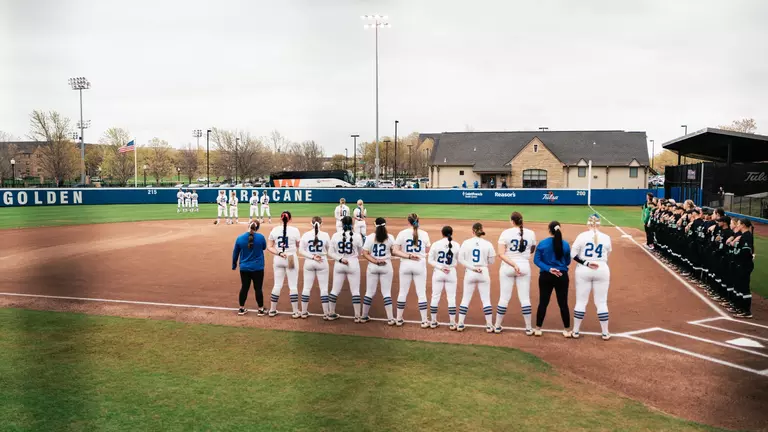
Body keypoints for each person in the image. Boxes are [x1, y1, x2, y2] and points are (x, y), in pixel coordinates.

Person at [570, 214, 613, 340]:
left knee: (581, 301)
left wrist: (586, 263)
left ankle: (575, 331)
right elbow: (608, 254)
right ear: (599, 224)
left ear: (588, 224)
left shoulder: (582, 236)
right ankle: (605, 332)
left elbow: (573, 254)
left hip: (584, 269)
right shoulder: (606, 237)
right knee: (601, 302)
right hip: (602, 269)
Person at [496, 211, 537, 334]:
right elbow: (532, 249)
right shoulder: (531, 233)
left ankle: (497, 326)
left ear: (512, 221)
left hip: (508, 267)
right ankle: (528, 328)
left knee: (504, 298)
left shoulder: (505, 233)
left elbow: (501, 254)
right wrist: (522, 256)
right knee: (525, 299)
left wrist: (513, 264)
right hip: (524, 266)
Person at [533, 221, 572, 337]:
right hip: (562, 275)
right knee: (563, 303)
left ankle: (538, 328)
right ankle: (567, 330)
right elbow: (568, 261)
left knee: (543, 302)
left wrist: (549, 268)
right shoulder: (565, 244)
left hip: (546, 275)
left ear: (549, 230)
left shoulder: (542, 243)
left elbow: (536, 260)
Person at [392, 213, 432, 327]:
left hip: (405, 264)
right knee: (421, 293)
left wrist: (408, 256)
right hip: (419, 265)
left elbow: (395, 251)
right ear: (418, 221)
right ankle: (424, 321)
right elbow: (427, 250)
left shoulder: (402, 233)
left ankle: (398, 319)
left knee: (402, 292)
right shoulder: (424, 233)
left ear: (408, 221)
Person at [457, 223, 496, 332]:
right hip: (483, 271)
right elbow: (492, 261)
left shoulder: (466, 242)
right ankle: (489, 325)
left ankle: (460, 324)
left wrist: (472, 268)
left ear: (473, 231)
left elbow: (460, 259)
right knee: (486, 299)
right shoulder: (488, 243)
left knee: (465, 299)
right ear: (481, 231)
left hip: (470, 271)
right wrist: (482, 263)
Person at [328, 215, 364, 321]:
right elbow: (360, 252)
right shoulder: (357, 236)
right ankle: (357, 316)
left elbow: (330, 252)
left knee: (335, 290)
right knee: (355, 291)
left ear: (342, 224)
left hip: (339, 264)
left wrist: (340, 259)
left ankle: (331, 313)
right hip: (353, 264)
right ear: (352, 224)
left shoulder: (335, 235)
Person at [267, 211, 302, 317]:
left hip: (278, 258)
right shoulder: (295, 230)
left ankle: (272, 310)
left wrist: (279, 253)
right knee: (293, 285)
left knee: (277, 284)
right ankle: (295, 311)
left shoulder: (274, 230)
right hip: (290, 258)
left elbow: (269, 247)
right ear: (290, 219)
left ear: (280, 218)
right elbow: (298, 245)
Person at [361, 217, 396, 324]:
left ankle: (364, 316)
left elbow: (364, 253)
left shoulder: (369, 237)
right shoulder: (390, 237)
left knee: (369, 292)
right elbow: (393, 252)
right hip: (386, 266)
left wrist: (376, 261)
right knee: (386, 293)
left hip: (373, 266)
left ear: (375, 224)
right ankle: (390, 319)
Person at [427, 226, 460, 329]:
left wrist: (441, 267)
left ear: (442, 233)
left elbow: (430, 260)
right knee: (451, 297)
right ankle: (452, 323)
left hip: (438, 272)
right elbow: (459, 260)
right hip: (451, 272)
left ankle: (433, 321)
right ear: (452, 233)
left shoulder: (436, 244)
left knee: (435, 296)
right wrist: (451, 266)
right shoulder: (456, 245)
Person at [299, 216, 331, 319]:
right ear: (321, 224)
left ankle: (304, 312)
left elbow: (301, 251)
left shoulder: (306, 235)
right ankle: (326, 313)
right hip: (322, 261)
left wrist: (312, 256)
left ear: (311, 223)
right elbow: (329, 250)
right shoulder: (325, 235)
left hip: (309, 261)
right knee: (324, 289)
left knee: (306, 288)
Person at [232, 220, 267, 316]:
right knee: (258, 288)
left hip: (244, 268)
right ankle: (260, 309)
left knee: (244, 287)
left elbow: (235, 253)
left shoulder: (240, 238)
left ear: (248, 226)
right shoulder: (261, 237)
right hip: (258, 267)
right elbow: (264, 247)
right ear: (257, 228)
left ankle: (241, 308)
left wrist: (234, 265)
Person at [732, 219, 754, 319]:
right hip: (741, 264)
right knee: (739, 286)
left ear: (743, 225)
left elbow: (745, 252)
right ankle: (740, 307)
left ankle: (746, 311)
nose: (737, 225)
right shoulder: (744, 235)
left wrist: (740, 262)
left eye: (739, 224)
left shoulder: (747, 236)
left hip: (744, 265)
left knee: (744, 287)